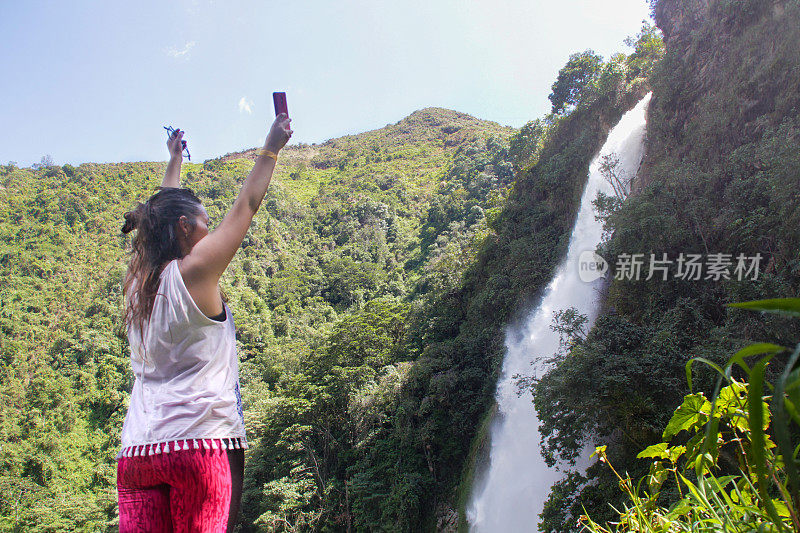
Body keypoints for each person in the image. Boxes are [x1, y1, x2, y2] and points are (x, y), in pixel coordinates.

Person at [116, 114, 292, 532]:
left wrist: (174, 161)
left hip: (138, 453)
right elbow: (246, 205)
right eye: (203, 224)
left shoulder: (135, 282)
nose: (209, 231)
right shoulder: (195, 272)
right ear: (183, 227)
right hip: (199, 445)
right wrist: (271, 148)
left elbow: (160, 215)